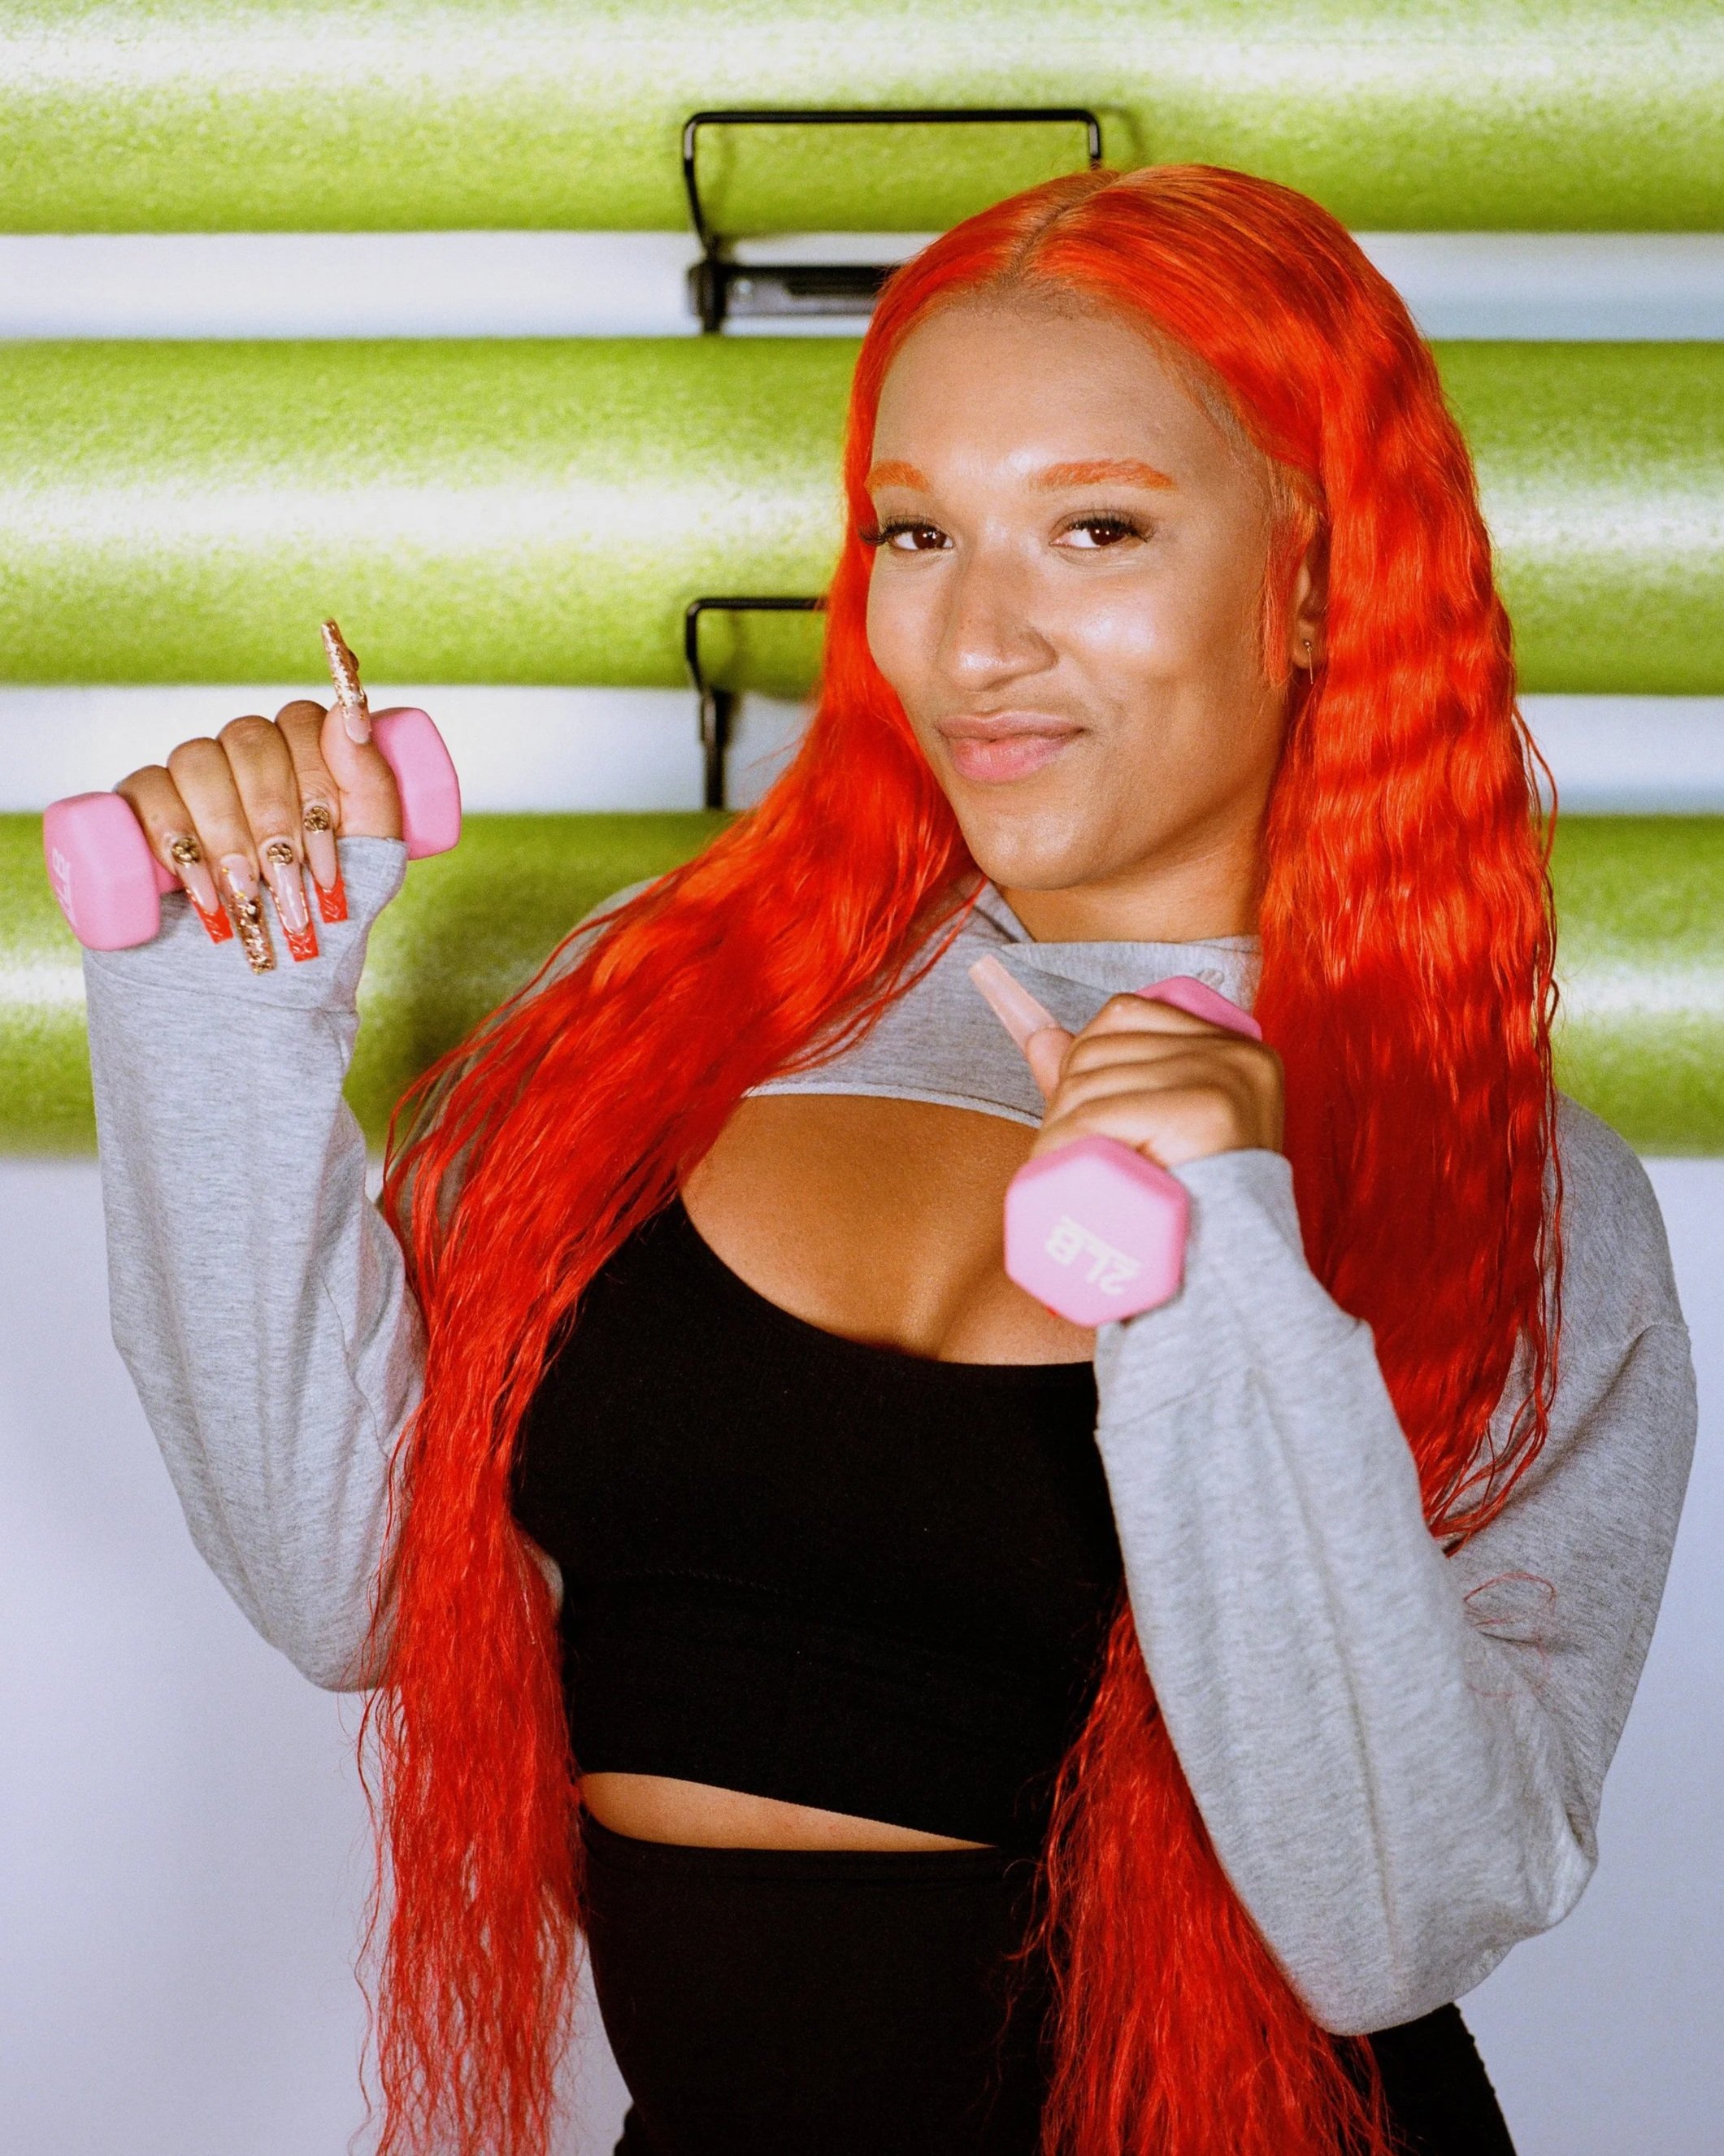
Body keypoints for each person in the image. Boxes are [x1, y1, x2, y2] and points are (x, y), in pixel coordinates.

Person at [83, 165, 1696, 2156]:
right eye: (914, 531)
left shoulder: (1520, 1195)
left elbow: (1392, 1923)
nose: (975, 640)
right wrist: (222, 1003)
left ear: (1308, 582)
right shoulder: (664, 1011)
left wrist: (1226, 1265)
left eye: (1095, 529)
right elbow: (347, 1593)